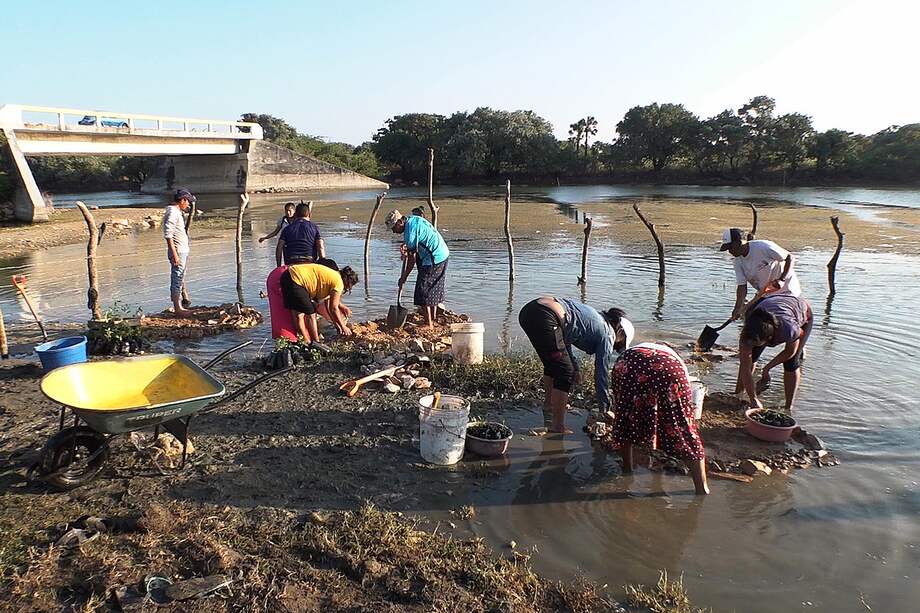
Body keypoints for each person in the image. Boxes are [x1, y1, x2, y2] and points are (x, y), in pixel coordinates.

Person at [518, 296, 634, 434]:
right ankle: (558, 426)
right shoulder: (608, 334)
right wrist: (605, 407)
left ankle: (549, 405)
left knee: (553, 365)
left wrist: (576, 369)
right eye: (620, 344)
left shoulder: (595, 317)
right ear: (620, 331)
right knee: (565, 372)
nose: (616, 346)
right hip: (545, 315)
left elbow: (564, 339)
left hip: (529, 311)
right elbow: (601, 372)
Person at [608, 343, 710, 495]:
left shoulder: (633, 350)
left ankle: (627, 469)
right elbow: (678, 409)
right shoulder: (676, 362)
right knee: (685, 429)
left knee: (625, 417)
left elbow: (640, 408)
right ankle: (702, 488)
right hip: (669, 372)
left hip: (627, 365)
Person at [737, 293, 813, 412]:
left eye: (757, 343)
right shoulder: (748, 332)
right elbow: (745, 367)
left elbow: (790, 352)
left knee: (791, 363)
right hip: (768, 303)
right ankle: (738, 395)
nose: (752, 346)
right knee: (750, 359)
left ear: (770, 339)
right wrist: (753, 399)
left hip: (801, 311)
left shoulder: (789, 330)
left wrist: (767, 369)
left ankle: (788, 407)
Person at [384, 209, 449, 329]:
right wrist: (407, 246)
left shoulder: (409, 233)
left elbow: (412, 260)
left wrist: (403, 277)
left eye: (394, 228)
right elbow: (418, 238)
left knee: (422, 290)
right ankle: (432, 318)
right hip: (443, 253)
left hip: (434, 257)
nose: (394, 231)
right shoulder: (413, 219)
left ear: (399, 223)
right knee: (432, 288)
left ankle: (428, 324)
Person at [720, 228, 802, 320]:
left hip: (787, 291)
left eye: (730, 248)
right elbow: (742, 287)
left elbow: (789, 257)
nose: (729, 252)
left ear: (740, 243)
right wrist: (737, 308)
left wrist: (782, 279)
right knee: (750, 316)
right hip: (766, 293)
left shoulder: (763, 247)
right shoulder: (737, 261)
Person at [280, 262, 357, 343]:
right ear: (348, 283)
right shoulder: (339, 283)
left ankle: (306, 341)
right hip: (296, 280)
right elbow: (334, 308)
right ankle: (316, 342)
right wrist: (343, 327)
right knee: (311, 313)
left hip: (287, 276)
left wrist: (338, 327)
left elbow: (329, 308)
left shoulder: (333, 277)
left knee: (298, 315)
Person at [163, 188, 195, 317]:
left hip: (181, 250)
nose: (188, 205)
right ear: (182, 200)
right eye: (187, 201)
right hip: (178, 251)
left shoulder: (176, 212)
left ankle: (179, 306)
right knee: (177, 278)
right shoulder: (172, 212)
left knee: (180, 277)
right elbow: (168, 234)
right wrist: (174, 252)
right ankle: (177, 308)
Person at [277, 202, 325, 266]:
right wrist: (323, 263)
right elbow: (321, 247)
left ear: (295, 214)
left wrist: (278, 266)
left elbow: (279, 248)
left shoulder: (286, 229)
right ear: (309, 214)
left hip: (291, 263)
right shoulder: (315, 228)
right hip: (310, 262)